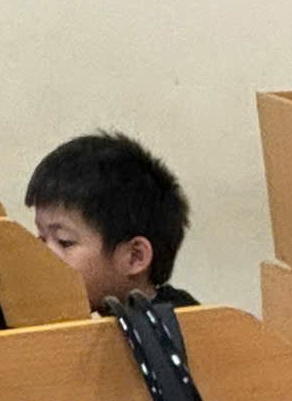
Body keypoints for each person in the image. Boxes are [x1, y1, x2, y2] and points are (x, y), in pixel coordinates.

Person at [25, 132, 197, 311]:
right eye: (41, 238)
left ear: (134, 256)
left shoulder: (184, 329)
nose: (43, 255)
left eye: (64, 242)